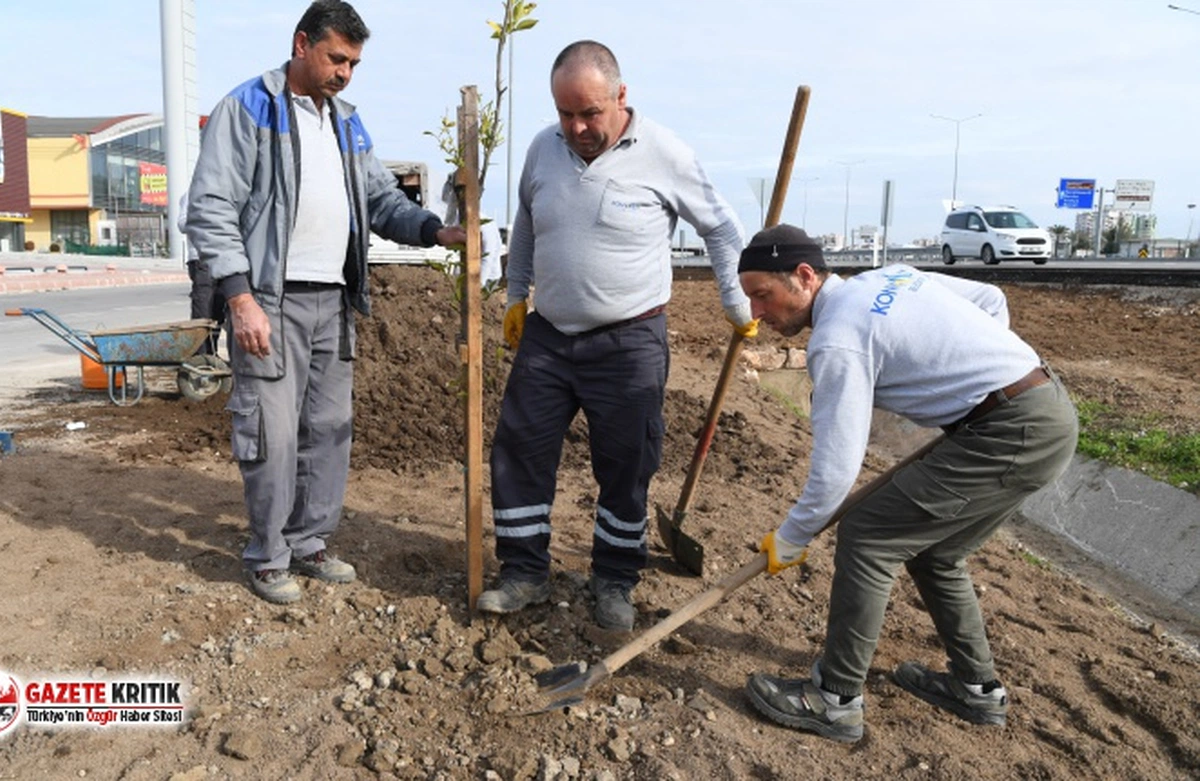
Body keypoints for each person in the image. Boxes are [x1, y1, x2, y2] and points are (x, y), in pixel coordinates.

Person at [736, 225, 1078, 743]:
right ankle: (977, 689)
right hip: (1044, 404)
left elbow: (836, 468)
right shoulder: (890, 277)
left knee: (868, 536)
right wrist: (977, 385)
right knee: (935, 553)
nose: (757, 313)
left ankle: (835, 699)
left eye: (763, 295)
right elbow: (990, 299)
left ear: (805, 277)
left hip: (1009, 429)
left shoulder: (837, 341)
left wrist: (792, 536)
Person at [186, 0, 466, 604]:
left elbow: (382, 200)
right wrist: (239, 298)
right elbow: (210, 208)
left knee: (329, 430)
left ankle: (310, 542)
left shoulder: (346, 122)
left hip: (334, 300)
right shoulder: (250, 108)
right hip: (269, 300)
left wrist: (434, 230)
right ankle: (267, 555)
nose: (345, 72)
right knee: (273, 432)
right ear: (301, 44)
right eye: (337, 58)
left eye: (354, 63)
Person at [477, 40, 754, 632]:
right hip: (549, 336)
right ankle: (524, 572)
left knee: (626, 464)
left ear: (621, 96)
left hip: (629, 341)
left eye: (589, 113)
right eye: (564, 114)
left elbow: (724, 230)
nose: (576, 127)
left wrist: (734, 300)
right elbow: (524, 223)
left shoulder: (665, 153)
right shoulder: (542, 150)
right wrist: (517, 295)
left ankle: (614, 580)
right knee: (519, 452)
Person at [178, 192, 225, 355]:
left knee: (219, 309)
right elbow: (182, 224)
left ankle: (212, 353)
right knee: (203, 308)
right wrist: (209, 219)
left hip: (223, 257)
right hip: (201, 258)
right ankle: (201, 357)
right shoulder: (192, 193)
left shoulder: (225, 191)